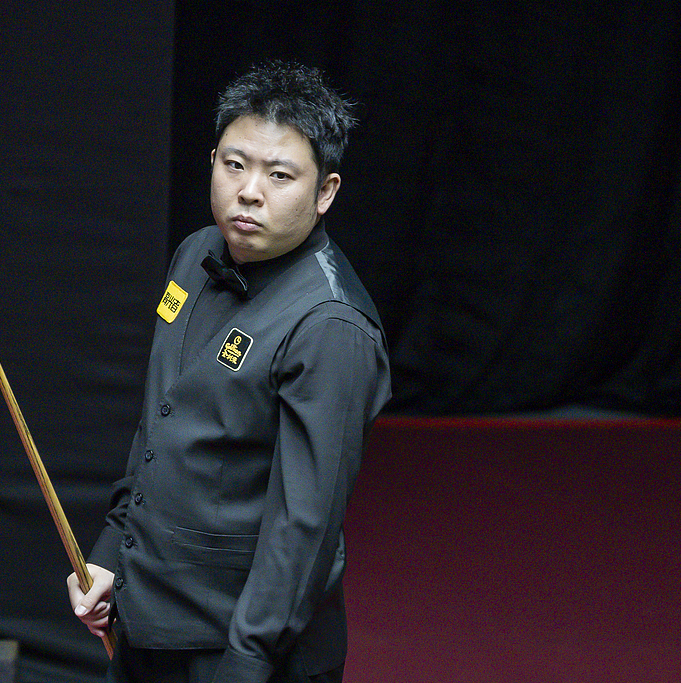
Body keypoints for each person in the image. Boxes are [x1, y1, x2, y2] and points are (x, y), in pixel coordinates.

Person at [67, 60, 391, 683]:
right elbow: (161, 421)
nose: (249, 191)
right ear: (213, 160)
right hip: (148, 617)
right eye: (235, 165)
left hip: (243, 648)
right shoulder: (196, 253)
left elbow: (304, 526)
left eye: (280, 175)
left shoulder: (331, 326)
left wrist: (248, 661)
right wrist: (110, 552)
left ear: (325, 192)